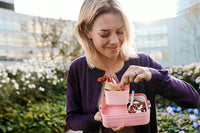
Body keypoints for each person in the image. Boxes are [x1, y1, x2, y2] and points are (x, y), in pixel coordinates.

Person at [66, 0, 200, 132]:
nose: (114, 41)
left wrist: (153, 75)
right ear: (87, 31)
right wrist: (96, 118)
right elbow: (72, 120)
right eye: (105, 34)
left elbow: (193, 99)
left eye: (120, 32)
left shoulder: (142, 63)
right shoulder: (78, 69)